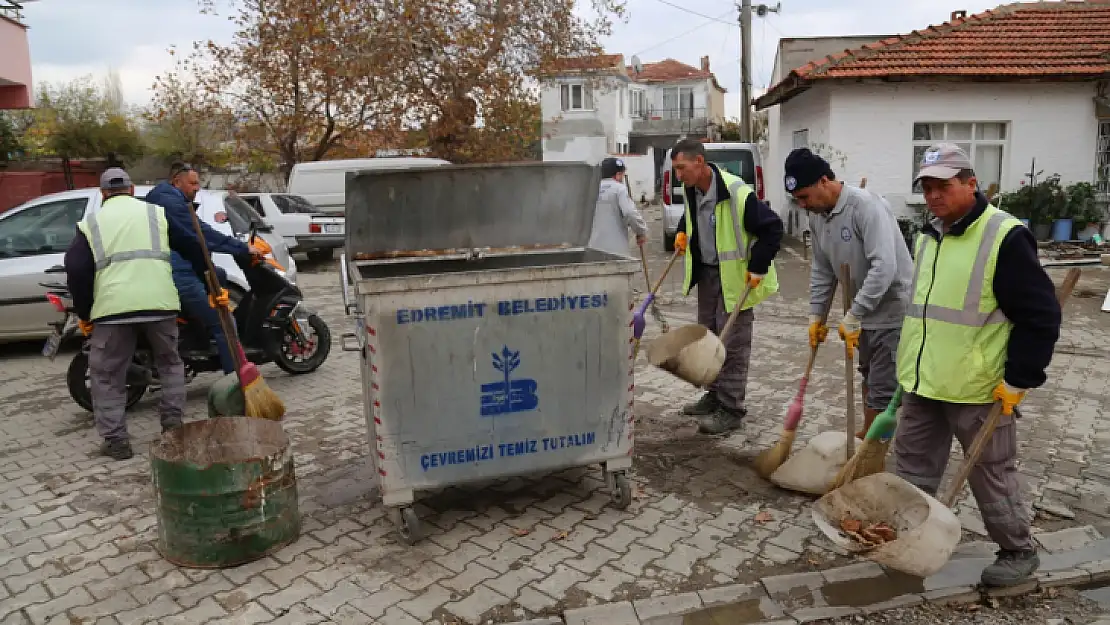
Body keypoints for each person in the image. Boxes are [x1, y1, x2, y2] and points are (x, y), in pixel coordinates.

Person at [894, 143, 1062, 587]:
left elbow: (1040, 315)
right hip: (924, 381)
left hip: (978, 387)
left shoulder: (1004, 236)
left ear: (971, 183)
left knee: (992, 474)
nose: (933, 196)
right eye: (926, 187)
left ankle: (1017, 551)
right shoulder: (928, 235)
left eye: (943, 186)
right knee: (911, 469)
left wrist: (1020, 378)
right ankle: (911, 537)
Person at [64, 168, 214, 460]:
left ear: (103, 193)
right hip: (161, 304)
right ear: (132, 189)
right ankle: (172, 425)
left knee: (107, 375)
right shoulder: (156, 215)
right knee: (171, 363)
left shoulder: (90, 223)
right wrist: (206, 279)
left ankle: (117, 442)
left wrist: (86, 311)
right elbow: (193, 247)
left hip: (113, 310)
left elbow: (77, 268)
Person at [783, 148, 914, 437]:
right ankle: (871, 434)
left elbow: (885, 267)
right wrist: (816, 316)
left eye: (804, 197)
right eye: (797, 200)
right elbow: (821, 269)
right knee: (869, 376)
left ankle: (873, 446)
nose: (802, 205)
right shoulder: (817, 217)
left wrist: (855, 313)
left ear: (823, 181)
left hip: (893, 310)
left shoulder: (865, 207)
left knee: (883, 384)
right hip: (863, 314)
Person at [671, 139, 783, 434]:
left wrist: (758, 265)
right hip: (708, 275)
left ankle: (731, 408)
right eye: (676, 170)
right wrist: (683, 230)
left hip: (738, 279)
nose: (678, 175)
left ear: (699, 162)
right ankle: (714, 395)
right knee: (708, 340)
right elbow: (694, 215)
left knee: (731, 344)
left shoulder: (737, 193)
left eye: (682, 168)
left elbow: (773, 228)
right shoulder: (692, 189)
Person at [145, 162, 257, 374]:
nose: (197, 188)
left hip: (174, 267)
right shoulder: (171, 203)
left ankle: (201, 332)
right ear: (177, 181)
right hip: (179, 272)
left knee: (220, 274)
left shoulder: (166, 197)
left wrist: (236, 248)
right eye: (193, 183)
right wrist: (241, 249)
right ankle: (236, 379)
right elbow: (199, 236)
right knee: (225, 322)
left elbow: (199, 231)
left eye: (198, 183)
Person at [588, 157, 648, 256]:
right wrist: (640, 231)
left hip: (592, 249)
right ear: (618, 174)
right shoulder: (619, 189)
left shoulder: (590, 189)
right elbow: (630, 213)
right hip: (616, 249)